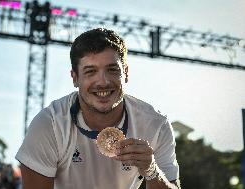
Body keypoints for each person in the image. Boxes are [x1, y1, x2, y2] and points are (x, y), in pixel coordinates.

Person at [16, 28, 180, 189]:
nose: (103, 82)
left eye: (112, 70)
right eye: (90, 72)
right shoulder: (49, 124)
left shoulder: (156, 125)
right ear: (75, 78)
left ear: (126, 73)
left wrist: (152, 170)